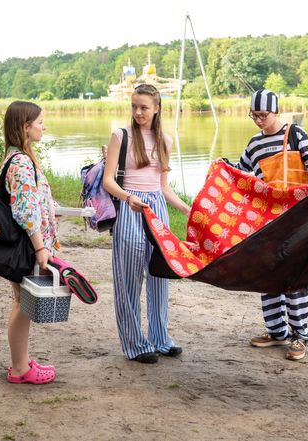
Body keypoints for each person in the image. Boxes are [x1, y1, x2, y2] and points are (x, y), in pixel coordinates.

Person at [231, 89, 308, 361]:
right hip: (268, 218)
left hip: (298, 216)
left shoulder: (296, 134)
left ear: (276, 112)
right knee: (268, 272)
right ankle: (277, 331)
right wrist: (222, 167)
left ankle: (300, 335)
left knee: (294, 276)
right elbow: (242, 172)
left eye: (262, 115)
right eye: (254, 115)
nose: (258, 120)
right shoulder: (254, 143)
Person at [103, 84, 191, 364]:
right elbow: (108, 181)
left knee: (159, 276)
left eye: (143, 107)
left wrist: (187, 208)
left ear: (157, 108)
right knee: (128, 280)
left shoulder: (165, 140)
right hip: (130, 208)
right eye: (134, 106)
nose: (138, 112)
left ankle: (160, 338)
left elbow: (163, 187)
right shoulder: (121, 136)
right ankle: (134, 344)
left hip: (157, 210)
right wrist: (128, 198)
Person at [2, 101, 58, 384]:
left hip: (25, 243)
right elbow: (25, 210)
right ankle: (20, 368)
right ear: (26, 126)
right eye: (39, 122)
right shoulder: (21, 162)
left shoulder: (17, 156)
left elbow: (34, 201)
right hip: (26, 245)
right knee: (22, 303)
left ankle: (21, 362)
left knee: (21, 302)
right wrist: (40, 248)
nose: (43, 126)